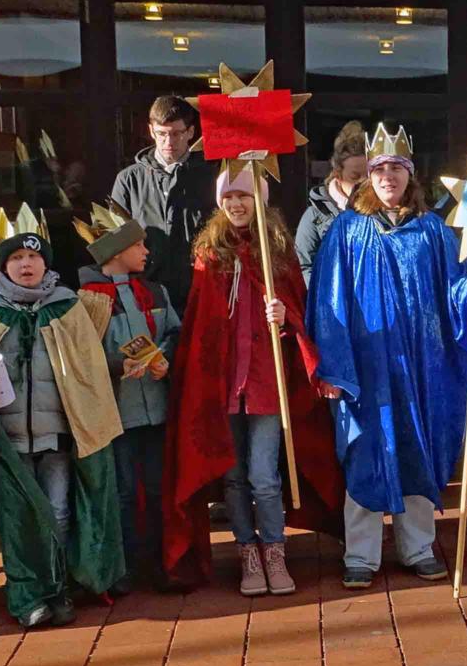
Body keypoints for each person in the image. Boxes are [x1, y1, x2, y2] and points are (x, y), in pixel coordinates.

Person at [306, 124, 467, 588]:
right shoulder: (346, 231)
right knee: (365, 451)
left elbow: (452, 291)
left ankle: (417, 546)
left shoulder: (432, 231)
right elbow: (329, 302)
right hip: (367, 369)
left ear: (411, 175)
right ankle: (361, 554)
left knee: (417, 449)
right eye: (380, 168)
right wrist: (334, 365)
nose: (388, 175)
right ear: (368, 176)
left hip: (420, 368)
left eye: (396, 167)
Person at [166, 162, 343, 591]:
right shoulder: (210, 254)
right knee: (234, 476)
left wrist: (286, 318)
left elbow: (300, 311)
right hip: (225, 386)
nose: (236, 204)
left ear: (259, 199)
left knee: (264, 474)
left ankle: (274, 551)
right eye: (228, 197)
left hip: (267, 385)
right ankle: (248, 552)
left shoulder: (276, 250)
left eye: (243, 195)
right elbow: (202, 323)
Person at [0, 206, 124, 628]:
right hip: (9, 439)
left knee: (58, 511)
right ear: (3, 265)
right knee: (16, 518)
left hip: (56, 436)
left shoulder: (68, 308)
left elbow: (89, 372)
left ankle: (57, 588)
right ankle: (25, 594)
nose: (25, 265)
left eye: (33, 257)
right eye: (15, 258)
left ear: (46, 261)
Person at [76, 203, 184, 596]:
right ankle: (121, 567)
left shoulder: (155, 291)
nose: (146, 252)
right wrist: (119, 366)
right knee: (120, 492)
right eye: (138, 245)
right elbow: (80, 357)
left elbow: (176, 333)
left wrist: (164, 360)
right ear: (116, 253)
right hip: (115, 415)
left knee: (157, 489)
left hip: (155, 411)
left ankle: (158, 564)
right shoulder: (86, 299)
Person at [111, 95, 217, 309]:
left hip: (198, 291)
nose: (169, 142)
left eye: (176, 134)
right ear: (151, 131)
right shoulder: (129, 179)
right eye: (162, 134)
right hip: (145, 292)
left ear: (191, 132)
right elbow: (113, 242)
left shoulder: (212, 177)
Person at [295, 121, 367, 285]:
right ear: (338, 174)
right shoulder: (315, 215)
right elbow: (303, 266)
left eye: (368, 176)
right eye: (354, 177)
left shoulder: (383, 210)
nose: (363, 183)